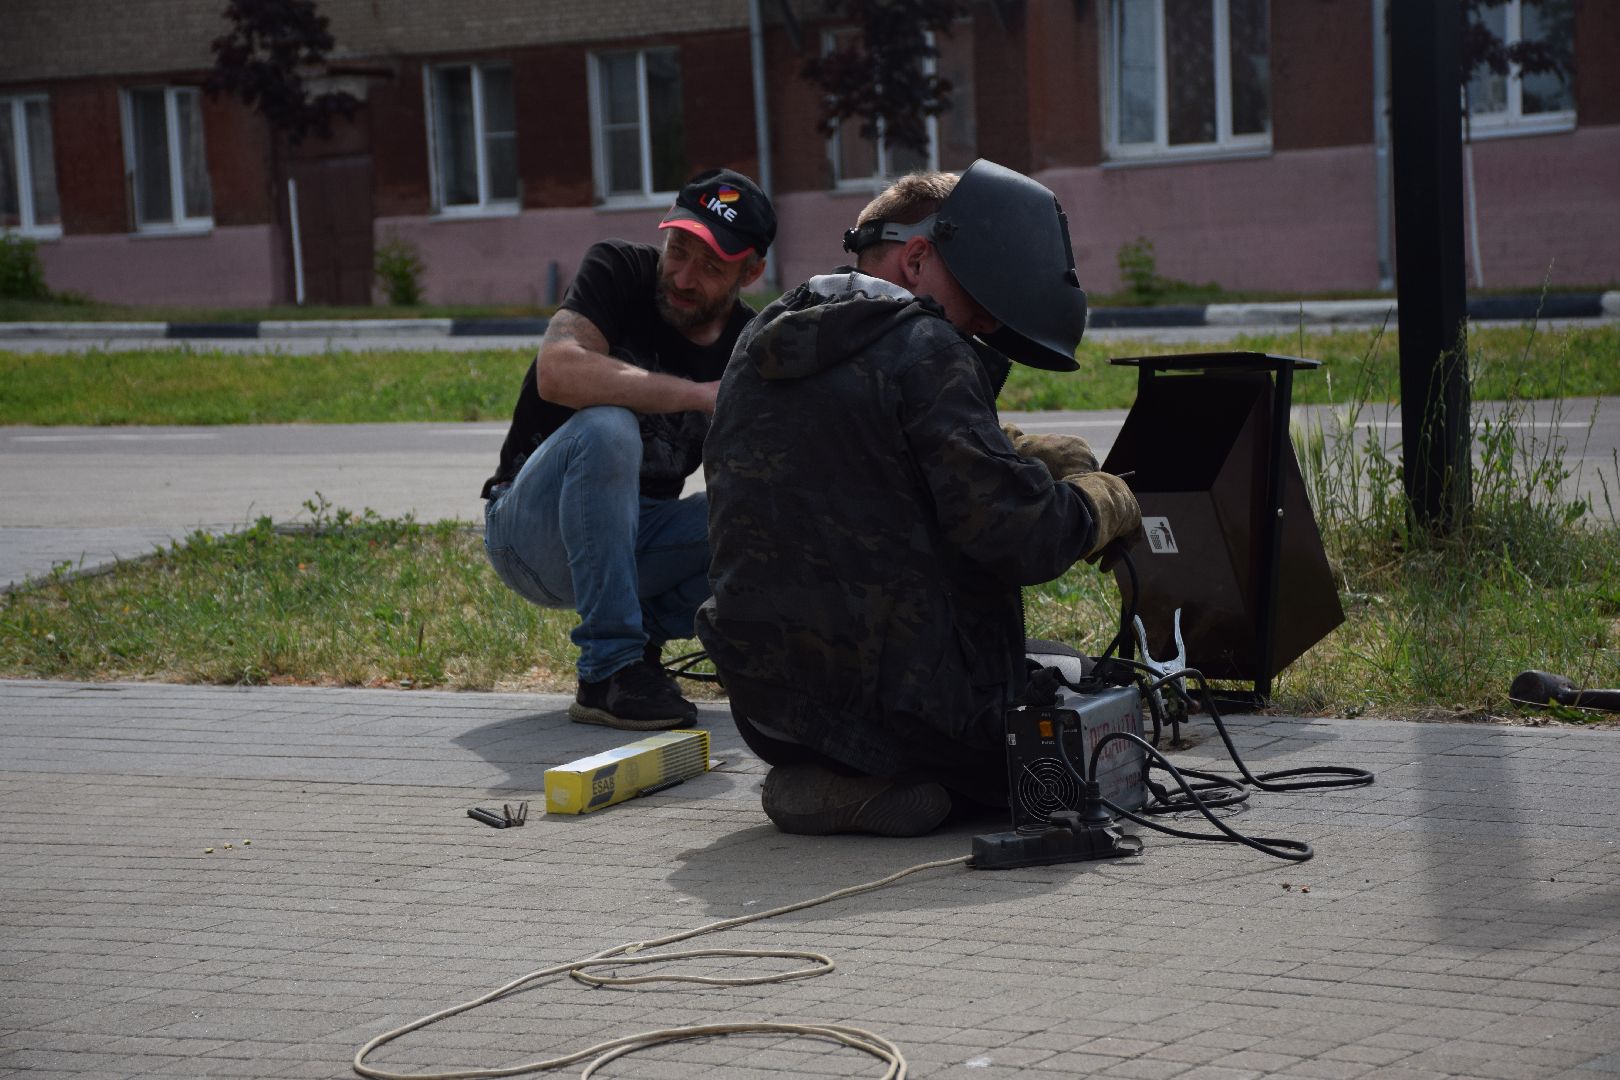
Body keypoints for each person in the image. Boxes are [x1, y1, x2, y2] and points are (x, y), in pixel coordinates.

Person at [696, 160, 1141, 837]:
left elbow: (871, 455)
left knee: (1060, 661)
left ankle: (825, 777)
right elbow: (1019, 534)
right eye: (980, 299)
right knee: (1084, 725)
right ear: (916, 260)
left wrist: (1013, 450)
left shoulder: (764, 340)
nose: (986, 324)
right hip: (905, 720)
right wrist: (1103, 502)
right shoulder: (925, 344)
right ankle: (883, 788)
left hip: (768, 710)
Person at [481, 168, 775, 731]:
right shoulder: (617, 269)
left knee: (771, 514)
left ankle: (640, 648)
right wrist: (698, 396)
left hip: (639, 543)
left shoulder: (752, 341)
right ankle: (606, 670)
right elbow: (558, 372)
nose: (683, 277)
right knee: (608, 427)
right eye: (679, 250)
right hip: (530, 535)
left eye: (710, 266)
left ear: (752, 271)